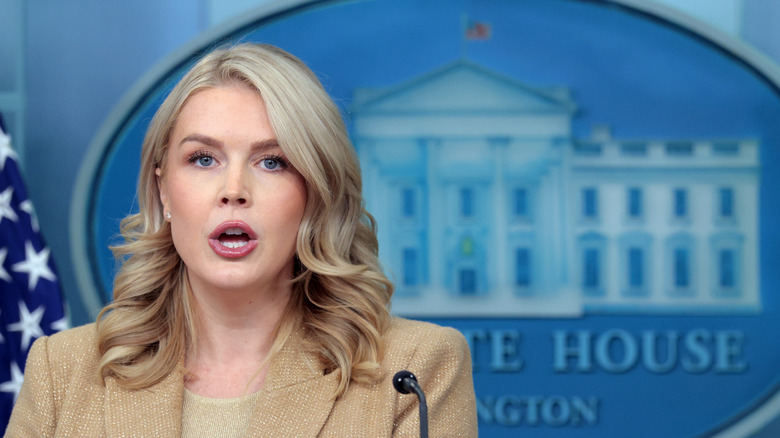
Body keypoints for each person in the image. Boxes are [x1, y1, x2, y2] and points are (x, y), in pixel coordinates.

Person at [6, 43, 477, 437]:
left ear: (316, 193)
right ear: (164, 190)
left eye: (272, 162)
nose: (234, 190)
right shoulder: (61, 372)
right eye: (203, 159)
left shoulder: (416, 369)